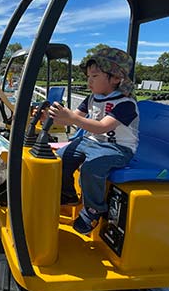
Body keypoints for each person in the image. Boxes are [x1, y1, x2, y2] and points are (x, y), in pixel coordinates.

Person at [47, 47, 139, 235]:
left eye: (95, 76)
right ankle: (68, 194)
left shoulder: (126, 103)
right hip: (92, 142)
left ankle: (93, 210)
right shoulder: (92, 98)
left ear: (115, 78)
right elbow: (72, 117)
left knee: (91, 168)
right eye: (88, 76)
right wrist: (50, 116)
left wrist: (71, 118)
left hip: (117, 148)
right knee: (63, 155)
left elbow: (102, 127)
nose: (89, 81)